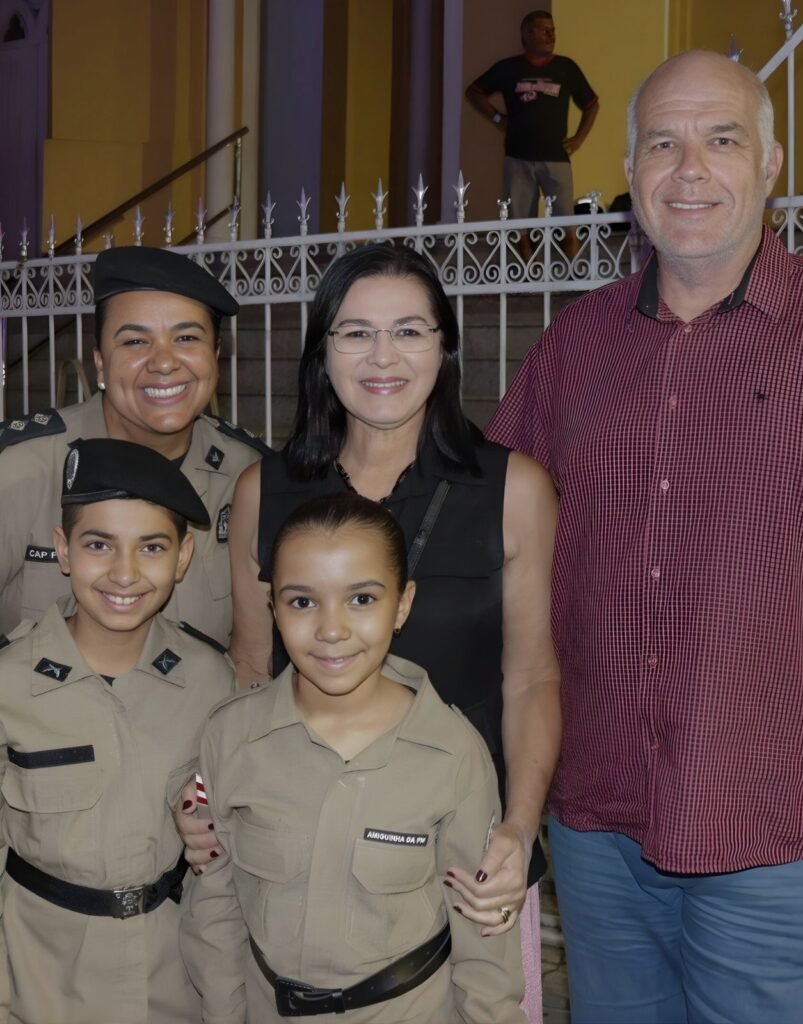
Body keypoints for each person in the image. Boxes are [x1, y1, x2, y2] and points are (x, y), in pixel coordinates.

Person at [486, 49, 803, 1024]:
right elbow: (487, 533)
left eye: (722, 140)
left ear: (771, 163)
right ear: (629, 169)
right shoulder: (573, 344)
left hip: (774, 827)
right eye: (663, 144)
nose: (690, 169)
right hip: (597, 825)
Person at [178, 243, 560, 1022]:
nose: (383, 356)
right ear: (322, 353)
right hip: (299, 854)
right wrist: (209, 797)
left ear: (443, 347)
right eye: (355, 332)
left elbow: (530, 678)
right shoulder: (264, 490)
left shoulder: (511, 489)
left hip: (458, 861)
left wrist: (518, 829)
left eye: (409, 331)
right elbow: (249, 669)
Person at [180, 492, 528, 1023]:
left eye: (361, 599)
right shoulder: (231, 737)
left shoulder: (453, 753)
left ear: (403, 604)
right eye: (302, 602)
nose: (332, 629)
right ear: (272, 606)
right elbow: (215, 908)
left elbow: (484, 951)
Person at [0, 438, 235, 1023]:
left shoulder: (211, 679)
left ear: (182, 557)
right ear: (63, 550)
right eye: (99, 544)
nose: (124, 573)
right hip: (37, 978)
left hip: (173, 975)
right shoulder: (9, 682)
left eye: (151, 547)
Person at [0, 245, 269, 647]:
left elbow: (258, 653)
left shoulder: (247, 477)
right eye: (135, 342)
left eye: (186, 338)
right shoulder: (22, 468)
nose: (164, 362)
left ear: (215, 356)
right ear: (100, 363)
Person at [465, 9, 599, 258]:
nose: (551, 35)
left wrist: (579, 139)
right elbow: (474, 92)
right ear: (527, 34)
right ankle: (528, 274)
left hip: (556, 157)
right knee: (521, 229)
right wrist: (498, 118)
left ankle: (574, 272)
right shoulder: (509, 68)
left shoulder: (566, 68)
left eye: (553, 30)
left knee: (567, 225)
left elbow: (591, 104)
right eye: (544, 30)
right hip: (518, 157)